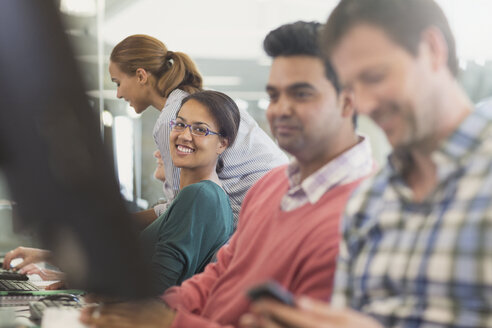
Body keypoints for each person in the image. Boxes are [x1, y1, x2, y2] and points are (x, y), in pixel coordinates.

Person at [81, 20, 373, 328]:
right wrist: (146, 312)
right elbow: (218, 276)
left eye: (301, 94)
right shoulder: (271, 186)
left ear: (348, 101)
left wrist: (168, 322)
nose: (280, 110)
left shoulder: (357, 216)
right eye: (274, 96)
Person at [243, 0, 492, 327]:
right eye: (352, 87)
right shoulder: (367, 203)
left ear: (432, 49)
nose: (365, 104)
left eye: (375, 77)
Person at [109, 34, 288, 226]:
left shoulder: (172, 118)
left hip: (261, 214)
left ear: (141, 76)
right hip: (278, 202)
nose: (118, 94)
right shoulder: (196, 99)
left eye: (118, 82)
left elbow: (182, 209)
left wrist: (116, 224)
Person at [139, 90, 237, 294]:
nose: (184, 136)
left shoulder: (199, 196)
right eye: (180, 124)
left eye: (200, 130)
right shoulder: (202, 195)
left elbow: (157, 288)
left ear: (222, 143)